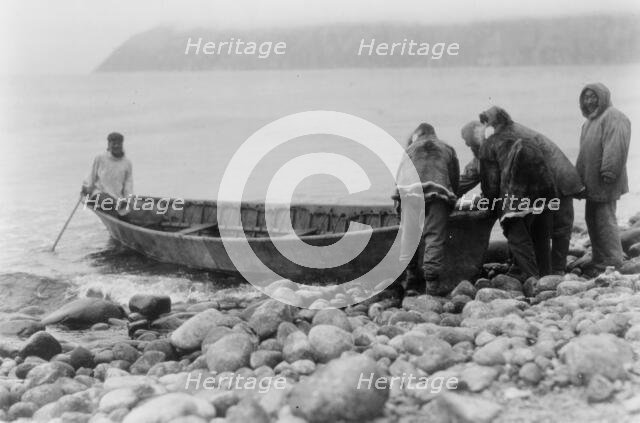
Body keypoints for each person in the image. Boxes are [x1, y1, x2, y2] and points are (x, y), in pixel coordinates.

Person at [479, 106, 584, 274]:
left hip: (556, 179)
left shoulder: (502, 138)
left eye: (485, 124)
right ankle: (547, 271)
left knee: (557, 228)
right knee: (543, 228)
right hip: (546, 183)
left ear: (491, 124)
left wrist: (490, 202)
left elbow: (491, 175)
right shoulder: (513, 131)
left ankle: (552, 271)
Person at [478, 117, 557, 281]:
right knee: (540, 234)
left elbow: (491, 184)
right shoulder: (522, 137)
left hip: (518, 192)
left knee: (517, 236)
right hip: (545, 191)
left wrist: (490, 204)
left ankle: (533, 279)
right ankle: (547, 277)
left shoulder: (488, 144)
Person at [394, 123, 459, 296]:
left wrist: (398, 206)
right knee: (434, 238)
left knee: (409, 237)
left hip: (411, 194)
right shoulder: (447, 148)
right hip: (438, 194)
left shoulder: (410, 149)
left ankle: (410, 280)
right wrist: (451, 202)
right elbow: (454, 179)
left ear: (417, 135)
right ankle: (431, 287)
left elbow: (399, 179)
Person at [576, 83, 631, 276]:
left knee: (605, 220)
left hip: (606, 180)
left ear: (603, 97)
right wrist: (578, 181)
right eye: (586, 97)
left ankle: (614, 260)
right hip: (591, 183)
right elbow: (584, 155)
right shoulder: (590, 122)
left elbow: (616, 147)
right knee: (592, 219)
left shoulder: (613, 117)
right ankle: (600, 259)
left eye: (593, 96)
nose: (589, 101)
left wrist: (609, 172)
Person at [81, 132, 133, 217]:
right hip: (99, 194)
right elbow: (92, 176)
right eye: (113, 143)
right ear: (109, 145)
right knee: (110, 204)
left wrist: (128, 199)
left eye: (119, 144)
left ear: (122, 144)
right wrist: (87, 188)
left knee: (129, 209)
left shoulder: (127, 163)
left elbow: (128, 184)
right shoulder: (100, 158)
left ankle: (121, 212)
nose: (116, 146)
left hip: (117, 197)